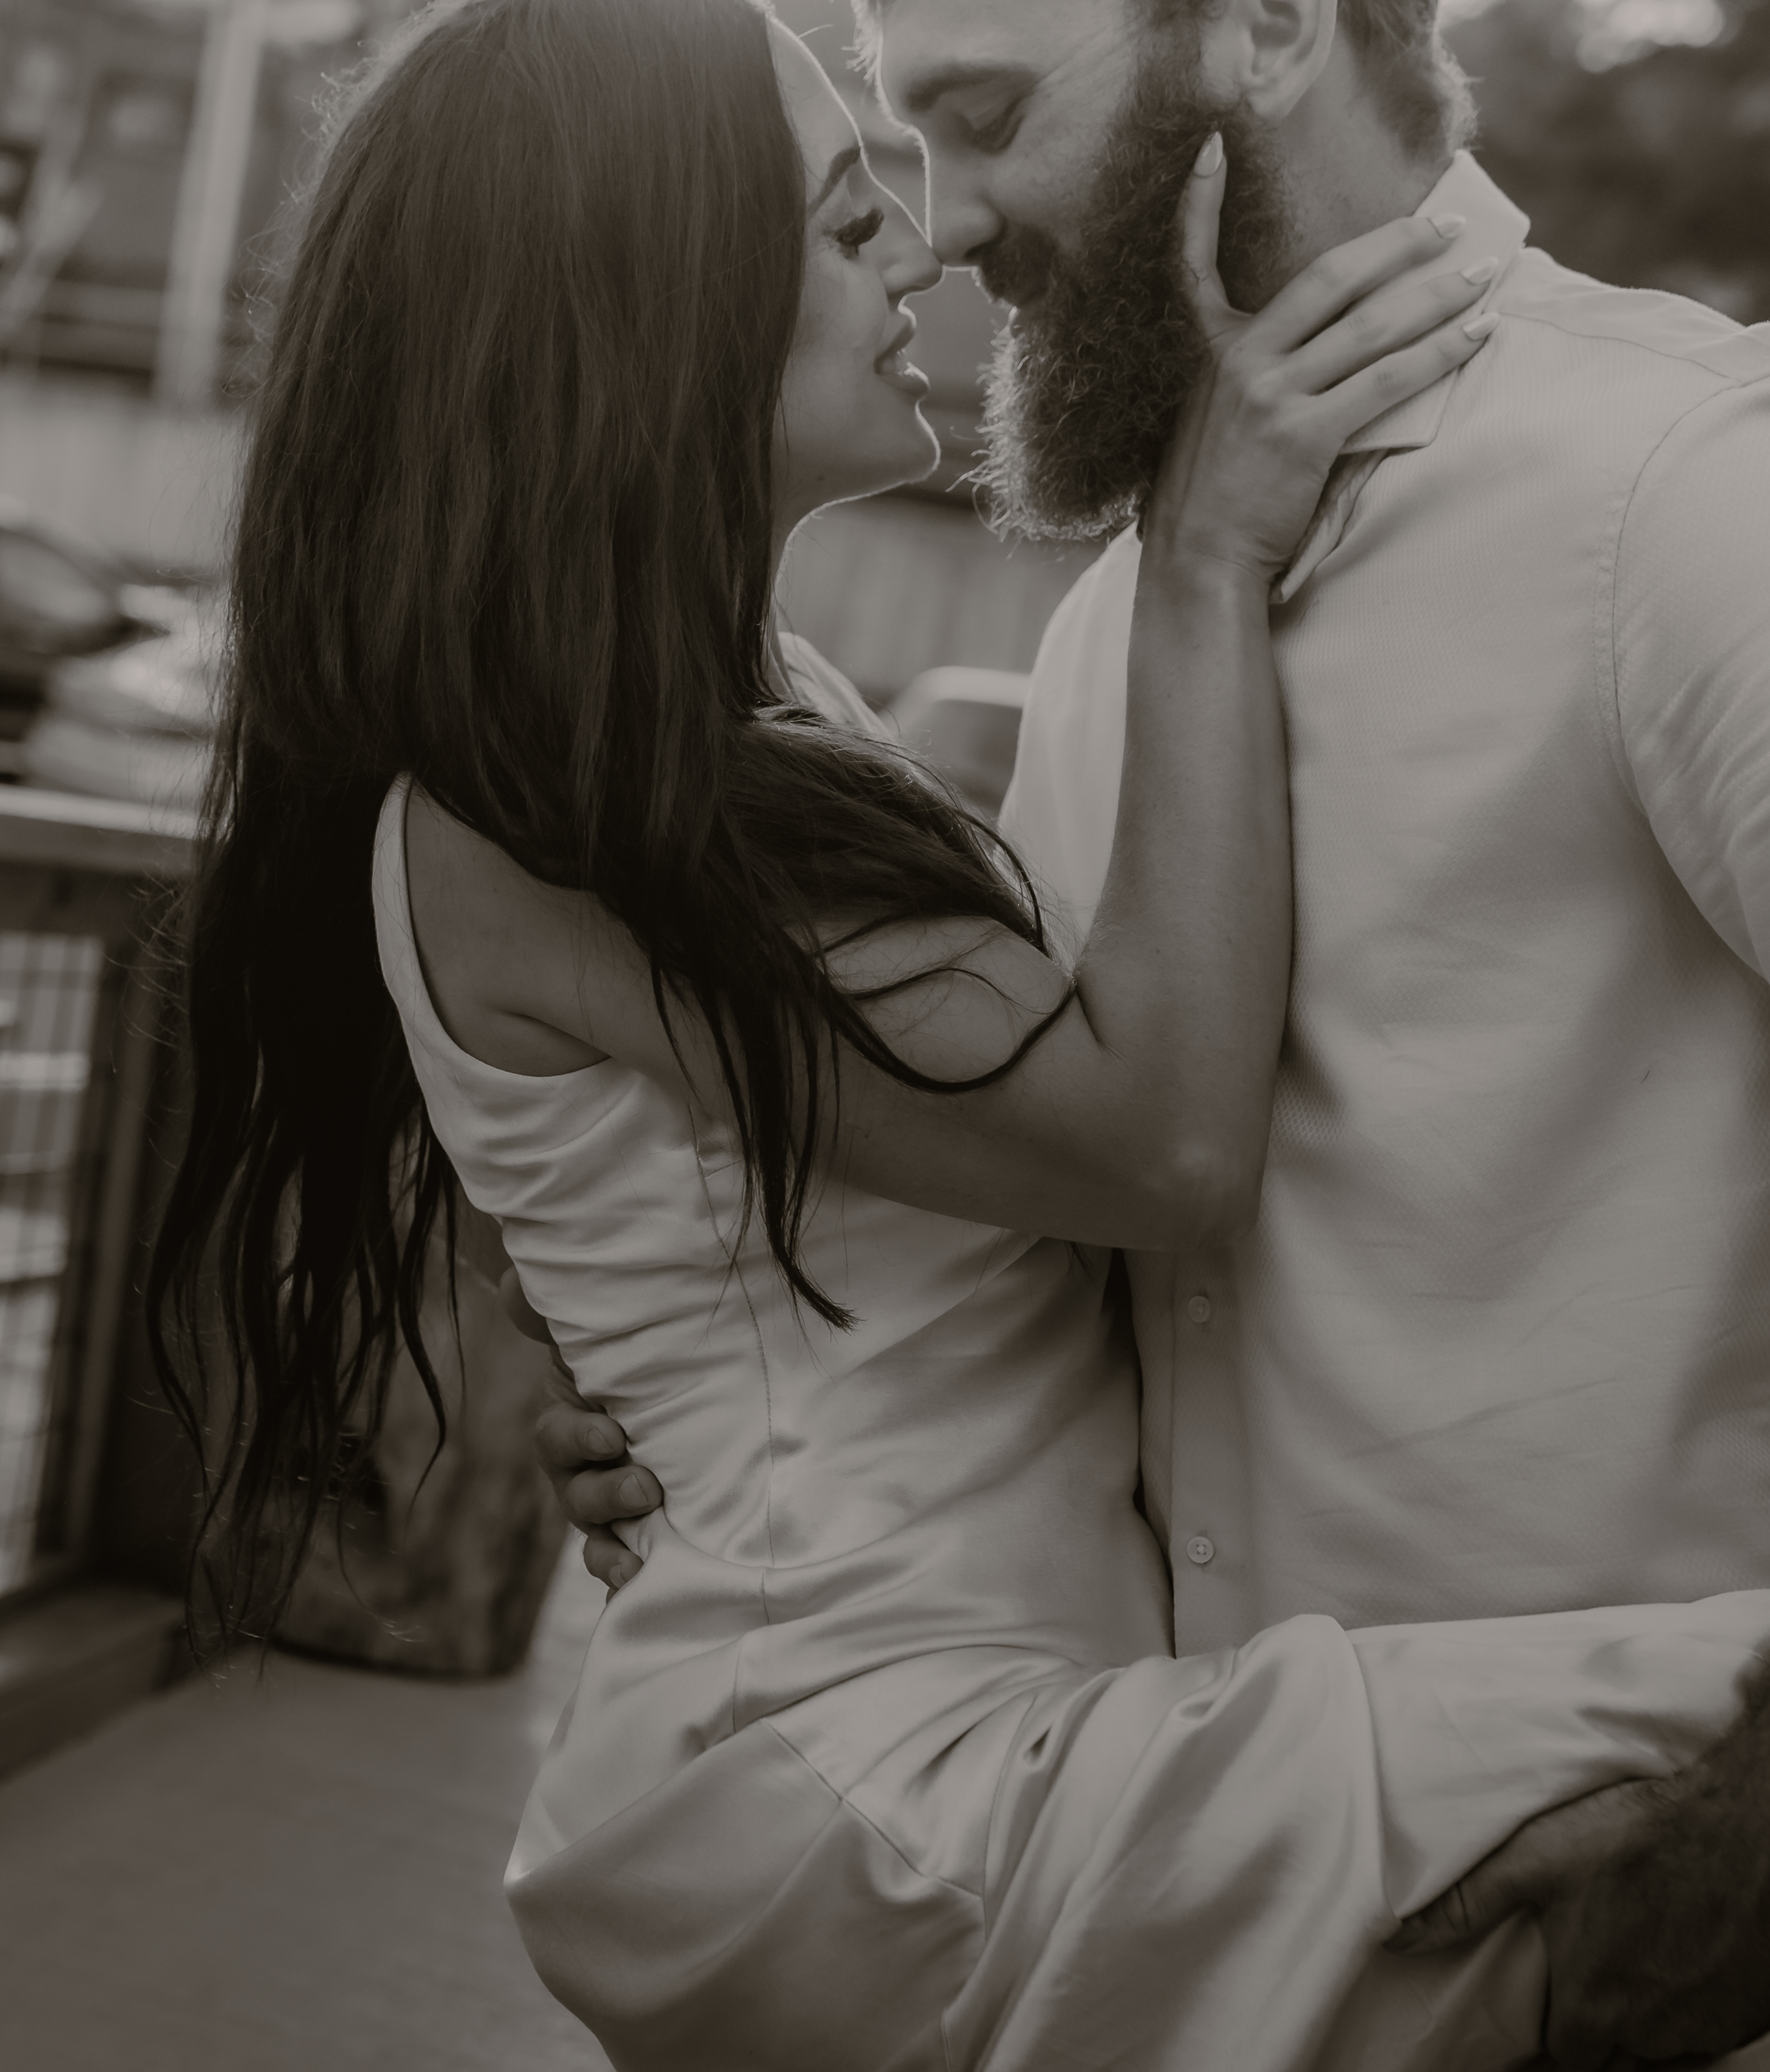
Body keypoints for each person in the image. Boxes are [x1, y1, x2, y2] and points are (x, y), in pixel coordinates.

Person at [145, 0, 1769, 2067]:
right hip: (990, 1783)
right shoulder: (1102, 633)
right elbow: (1131, 1153)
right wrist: (727, 1408)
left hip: (1156, 1776)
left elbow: (952, 1170)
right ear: (645, 311)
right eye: (854, 205)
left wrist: (726, 1372)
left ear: (1271, 28)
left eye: (980, 116)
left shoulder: (1675, 491)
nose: (934, 230)